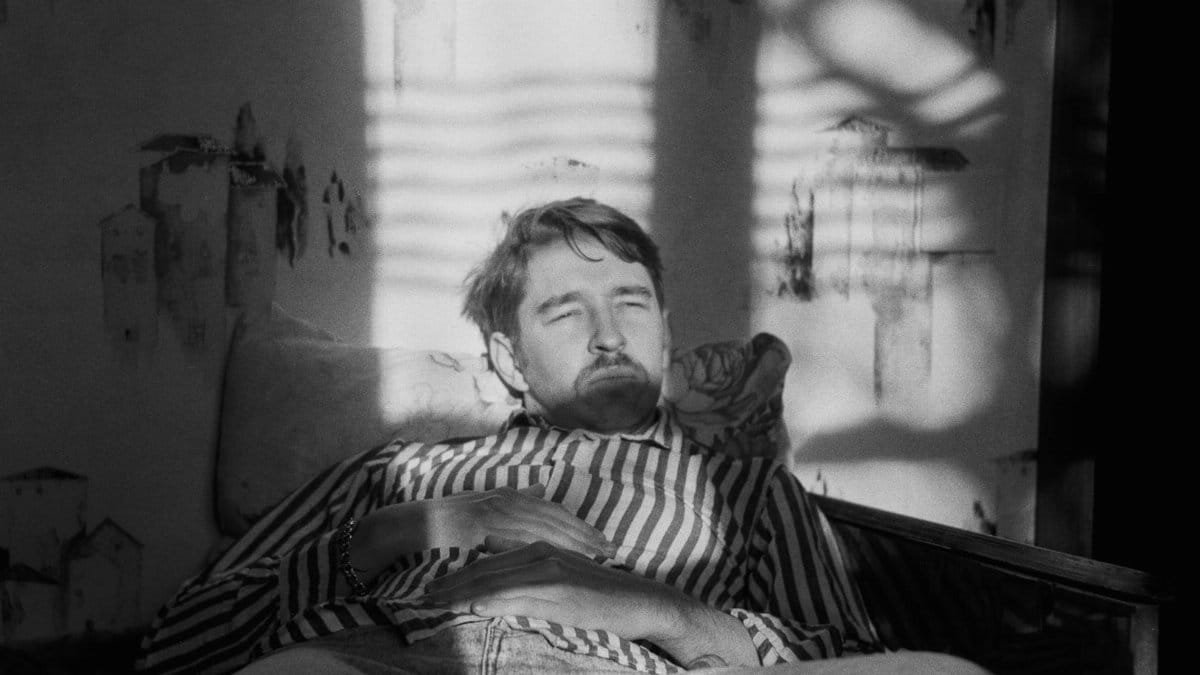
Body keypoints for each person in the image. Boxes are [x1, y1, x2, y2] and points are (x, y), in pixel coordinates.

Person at [136, 198, 883, 674]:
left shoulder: (748, 488)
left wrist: (656, 611)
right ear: (507, 359)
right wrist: (404, 527)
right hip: (366, 653)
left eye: (631, 302)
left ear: (666, 331)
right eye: (564, 313)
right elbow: (175, 646)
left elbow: (854, 657)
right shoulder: (399, 469)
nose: (607, 335)